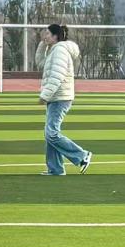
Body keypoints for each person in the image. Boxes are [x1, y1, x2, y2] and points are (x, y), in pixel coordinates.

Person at [35, 24, 92, 176]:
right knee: (50, 133)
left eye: (48, 34)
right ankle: (56, 169)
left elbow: (57, 76)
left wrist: (44, 96)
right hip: (56, 97)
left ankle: (82, 155)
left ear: (55, 36)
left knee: (51, 133)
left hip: (60, 97)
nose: (45, 36)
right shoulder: (54, 50)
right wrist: (42, 45)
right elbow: (41, 64)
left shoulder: (60, 50)